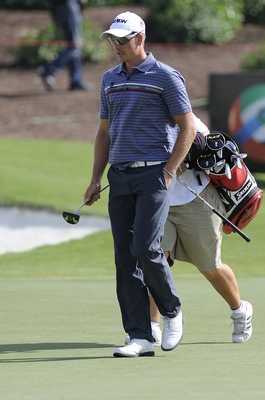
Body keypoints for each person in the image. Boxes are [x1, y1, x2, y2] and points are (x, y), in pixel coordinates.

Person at [84, 11, 196, 357]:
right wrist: (94, 179)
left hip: (153, 175)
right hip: (119, 176)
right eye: (112, 40)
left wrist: (168, 171)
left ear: (140, 39)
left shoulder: (166, 77)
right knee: (123, 257)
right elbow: (104, 133)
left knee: (146, 248)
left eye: (122, 40)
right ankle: (140, 336)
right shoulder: (109, 79)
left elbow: (188, 127)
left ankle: (171, 311)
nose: (116, 46)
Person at [140, 115, 253, 346]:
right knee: (155, 260)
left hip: (196, 200)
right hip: (159, 203)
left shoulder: (185, 116)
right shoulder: (139, 116)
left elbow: (203, 149)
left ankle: (240, 310)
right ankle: (151, 326)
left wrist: (176, 167)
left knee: (210, 267)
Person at [37, 0, 93, 91]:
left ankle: (76, 80)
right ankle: (49, 69)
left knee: (73, 43)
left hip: (57, 7)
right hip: (68, 6)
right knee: (74, 45)